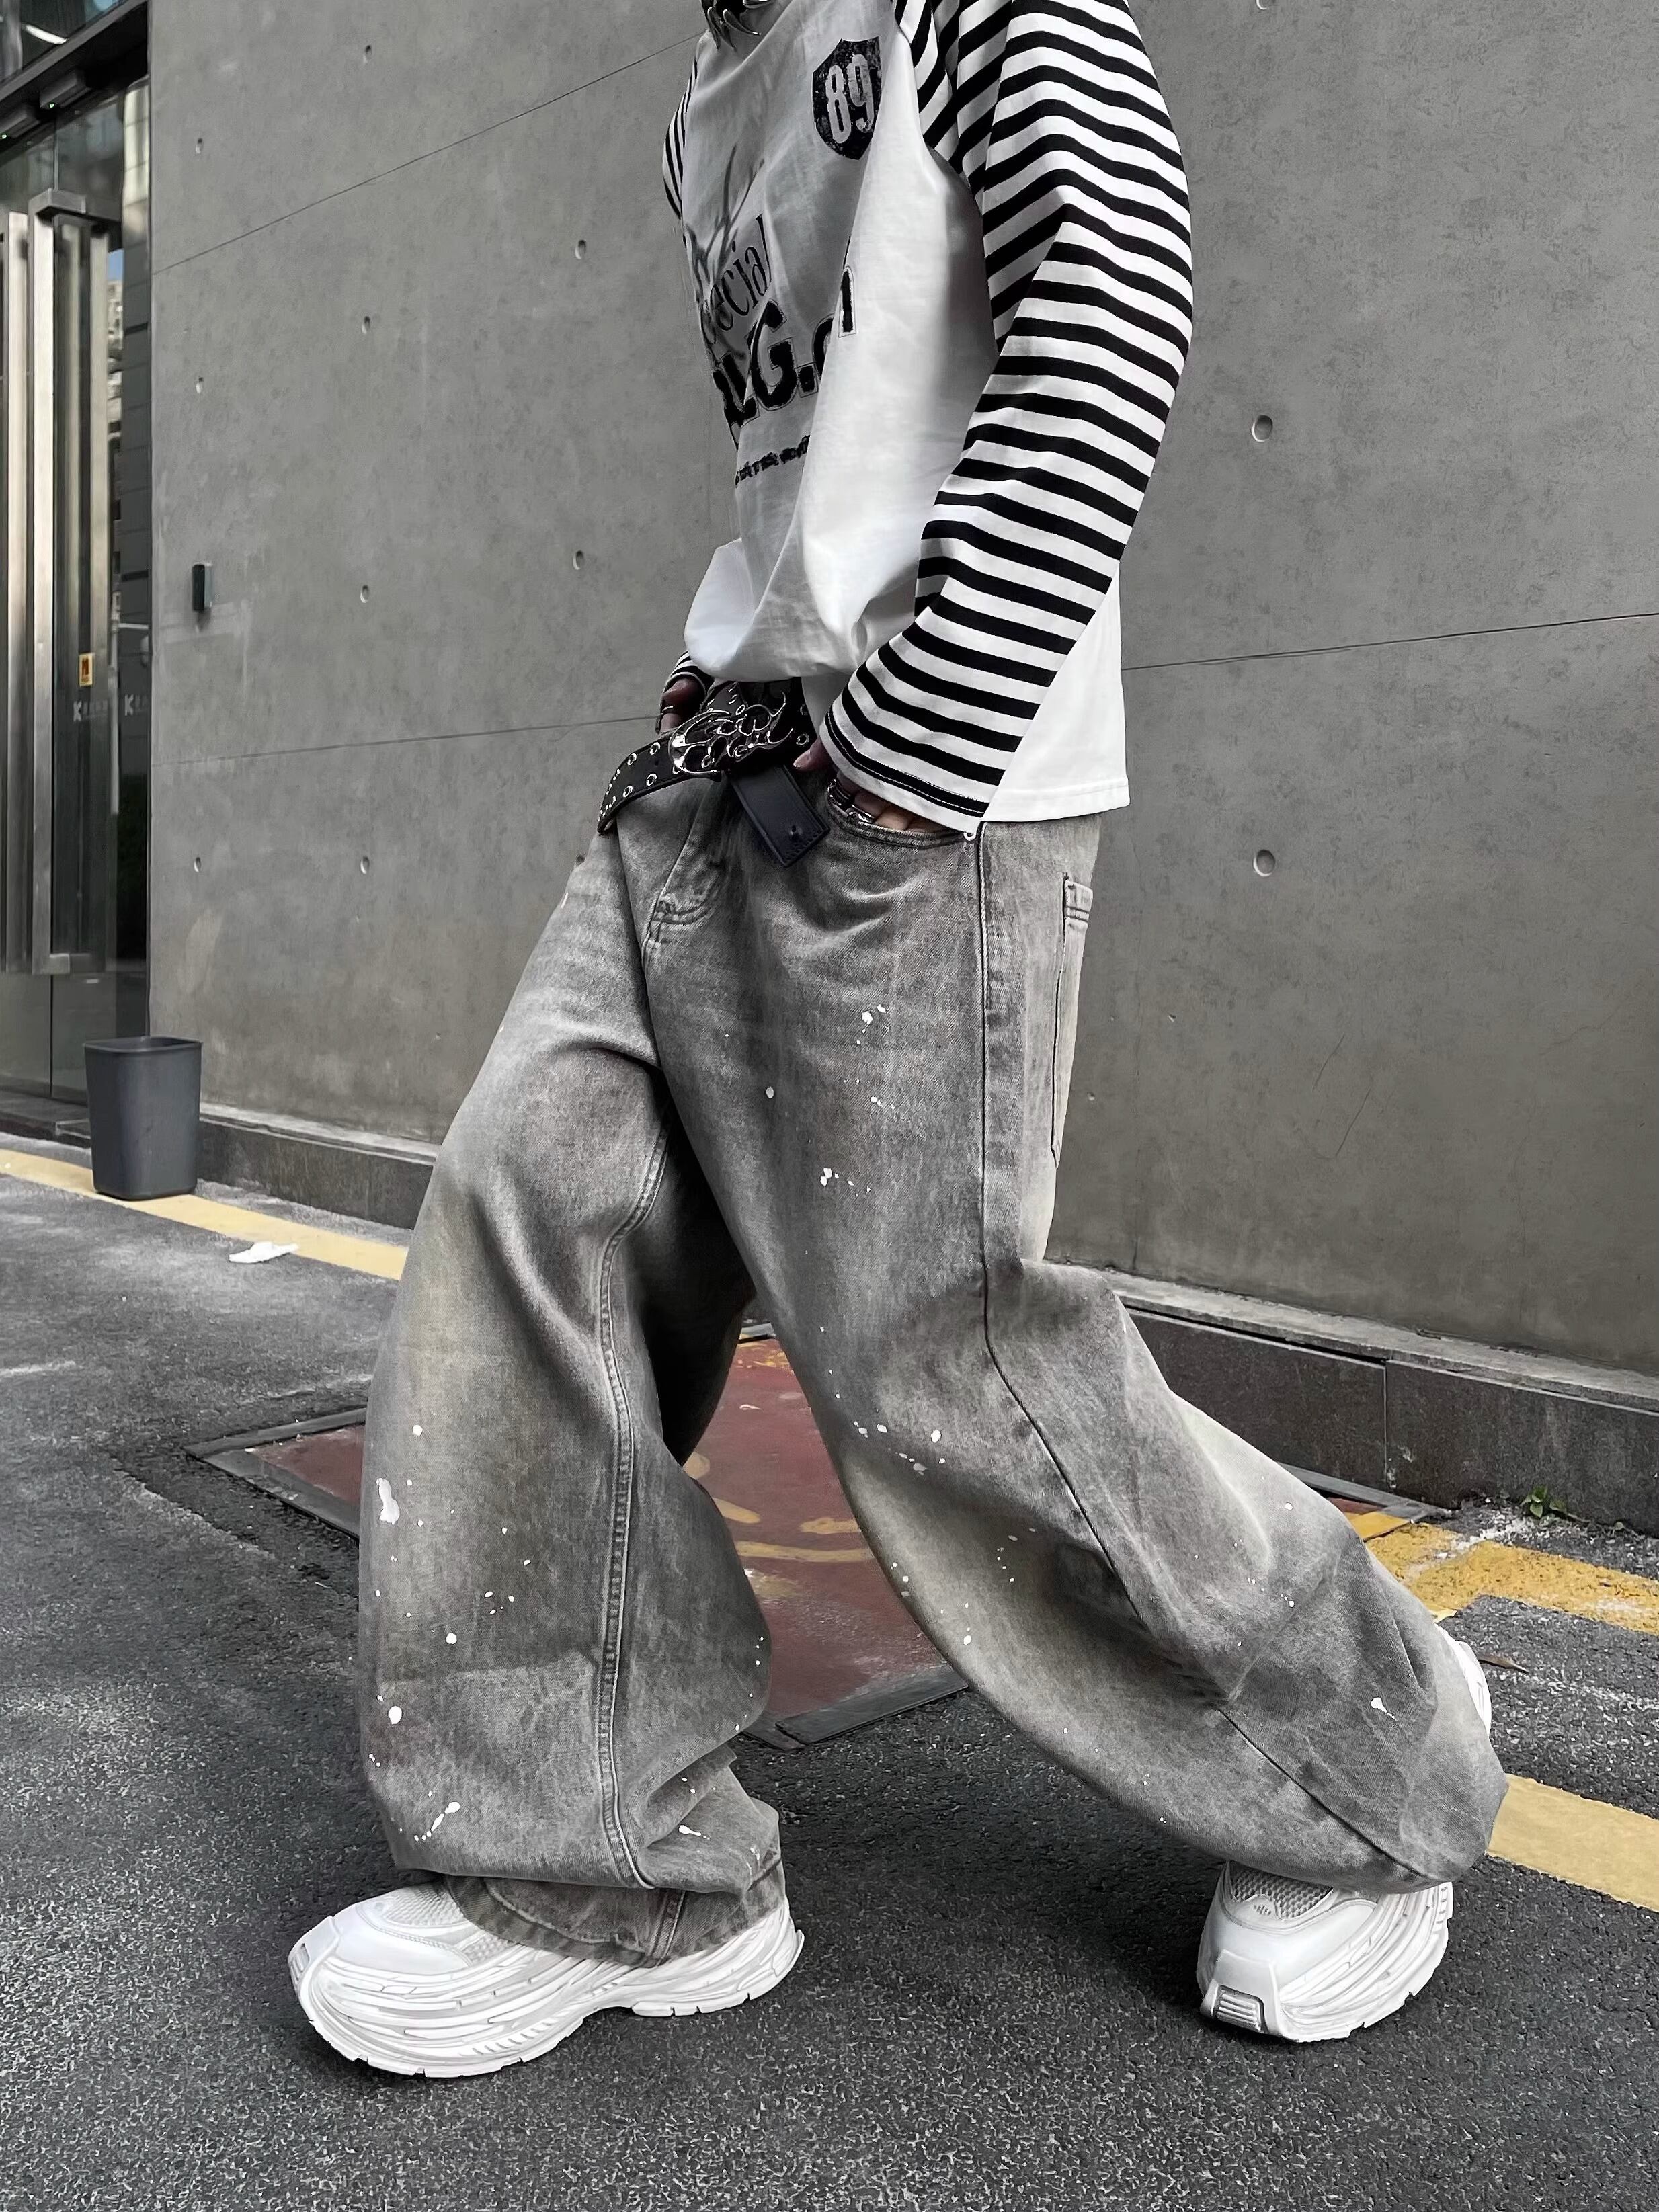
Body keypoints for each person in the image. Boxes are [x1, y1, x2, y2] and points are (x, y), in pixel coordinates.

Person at [289, 0, 1504, 2075]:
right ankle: (613, 1867)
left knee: (945, 1365)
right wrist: (731, 714)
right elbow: (811, 469)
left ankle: (1366, 1757)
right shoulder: (712, 93)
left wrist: (916, 737)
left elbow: (1112, 298)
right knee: (525, 1225)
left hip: (914, 793)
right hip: (719, 772)